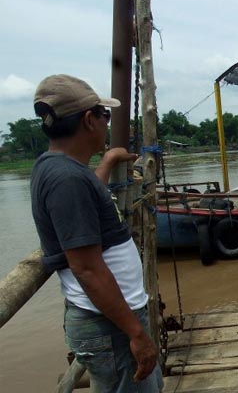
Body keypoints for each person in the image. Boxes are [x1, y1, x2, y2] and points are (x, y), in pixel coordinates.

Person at [30, 74, 163, 392]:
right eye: (105, 115)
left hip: (112, 320)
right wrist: (137, 334)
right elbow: (86, 268)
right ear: (89, 120)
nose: (107, 123)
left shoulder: (65, 171)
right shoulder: (67, 179)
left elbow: (88, 205)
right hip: (111, 326)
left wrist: (105, 162)